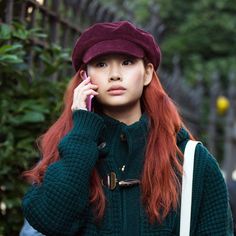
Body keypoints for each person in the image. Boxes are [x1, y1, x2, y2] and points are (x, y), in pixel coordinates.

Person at [22, 21, 233, 235]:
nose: (114, 74)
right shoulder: (69, 153)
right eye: (101, 64)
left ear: (148, 73)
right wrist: (83, 131)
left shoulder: (193, 161)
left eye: (127, 62)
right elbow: (50, 221)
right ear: (85, 78)